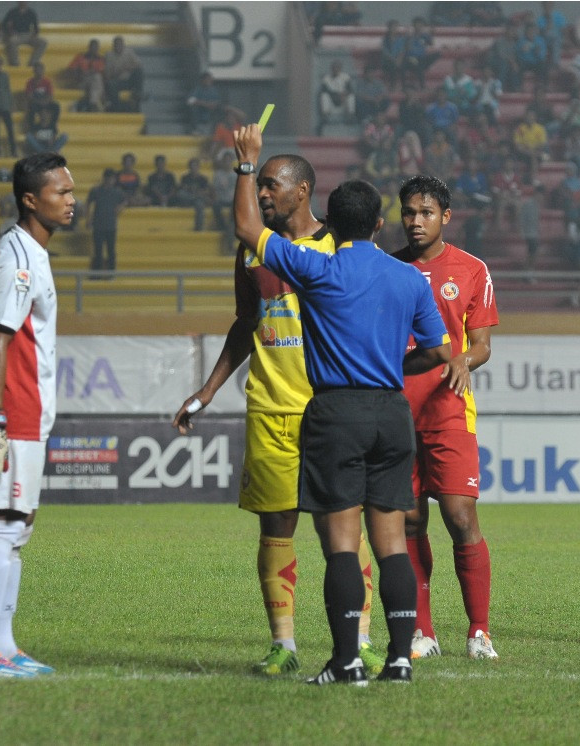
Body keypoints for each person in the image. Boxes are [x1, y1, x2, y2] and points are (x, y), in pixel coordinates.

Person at [231, 122, 458, 686]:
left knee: (339, 545)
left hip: (337, 413)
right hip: (391, 413)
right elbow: (438, 351)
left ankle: (347, 661)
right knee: (391, 545)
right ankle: (401, 658)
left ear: (332, 224)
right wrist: (392, 368)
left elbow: (245, 226)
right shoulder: (409, 279)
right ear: (381, 224)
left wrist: (245, 164)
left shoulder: (320, 267)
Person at [173, 152, 386, 678]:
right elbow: (246, 322)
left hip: (330, 407)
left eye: (272, 186)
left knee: (345, 532)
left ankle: (359, 641)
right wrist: (206, 391)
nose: (263, 195)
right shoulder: (252, 254)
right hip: (270, 406)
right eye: (260, 185)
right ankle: (283, 645)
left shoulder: (343, 245)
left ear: (303, 189)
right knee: (276, 527)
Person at [0, 151, 75, 677]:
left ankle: (4, 645)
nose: (72, 200)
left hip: (30, 411)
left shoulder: (32, 251)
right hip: (15, 411)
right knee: (2, 524)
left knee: (19, 526)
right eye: (62, 192)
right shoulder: (17, 257)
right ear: (31, 199)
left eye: (71, 190)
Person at [391, 175, 500, 661]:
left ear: (445, 217)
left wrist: (464, 360)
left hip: (449, 409)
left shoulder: (472, 269)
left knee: (459, 516)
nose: (416, 221)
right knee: (411, 521)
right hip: (394, 411)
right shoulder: (388, 267)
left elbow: (482, 345)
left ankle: (479, 631)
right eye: (409, 213)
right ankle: (423, 632)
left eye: (426, 213)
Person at [85, 168, 125, 275]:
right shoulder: (96, 191)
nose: (109, 180)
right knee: (98, 250)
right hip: (98, 224)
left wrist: (120, 207)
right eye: (108, 178)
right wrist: (88, 219)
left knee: (110, 250)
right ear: (104, 178)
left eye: (111, 178)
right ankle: (97, 274)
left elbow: (124, 201)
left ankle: (111, 273)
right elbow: (88, 203)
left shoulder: (117, 192)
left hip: (110, 225)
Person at [104, 36, 144, 113]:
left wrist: (127, 67)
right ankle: (117, 107)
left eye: (120, 45)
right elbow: (108, 75)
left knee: (139, 72)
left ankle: (138, 93)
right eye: (116, 45)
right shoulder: (109, 55)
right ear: (113, 46)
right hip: (118, 81)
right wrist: (118, 71)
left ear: (123, 45)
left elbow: (139, 64)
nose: (118, 47)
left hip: (129, 79)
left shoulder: (129, 52)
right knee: (110, 84)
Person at [0, 1, 46, 68]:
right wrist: (10, 31)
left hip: (28, 35)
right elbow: (4, 25)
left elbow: (36, 27)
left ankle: (33, 63)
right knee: (12, 41)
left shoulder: (31, 12)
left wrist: (35, 34)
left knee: (43, 42)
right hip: (17, 35)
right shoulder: (12, 12)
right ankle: (15, 63)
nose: (23, 2)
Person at [317, 59, 356, 130]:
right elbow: (324, 91)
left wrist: (344, 94)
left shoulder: (345, 77)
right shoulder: (326, 78)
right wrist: (338, 95)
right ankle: (325, 118)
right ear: (331, 68)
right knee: (324, 96)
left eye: (337, 67)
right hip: (331, 103)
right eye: (334, 68)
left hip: (343, 103)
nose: (335, 69)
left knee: (351, 97)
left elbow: (351, 90)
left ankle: (350, 117)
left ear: (340, 68)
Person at [187, 71, 222, 135]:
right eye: (207, 79)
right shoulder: (197, 89)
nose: (209, 81)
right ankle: (195, 129)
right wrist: (205, 104)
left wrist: (201, 103)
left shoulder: (214, 91)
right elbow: (190, 101)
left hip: (210, 118)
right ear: (202, 80)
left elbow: (215, 104)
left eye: (210, 79)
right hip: (198, 118)